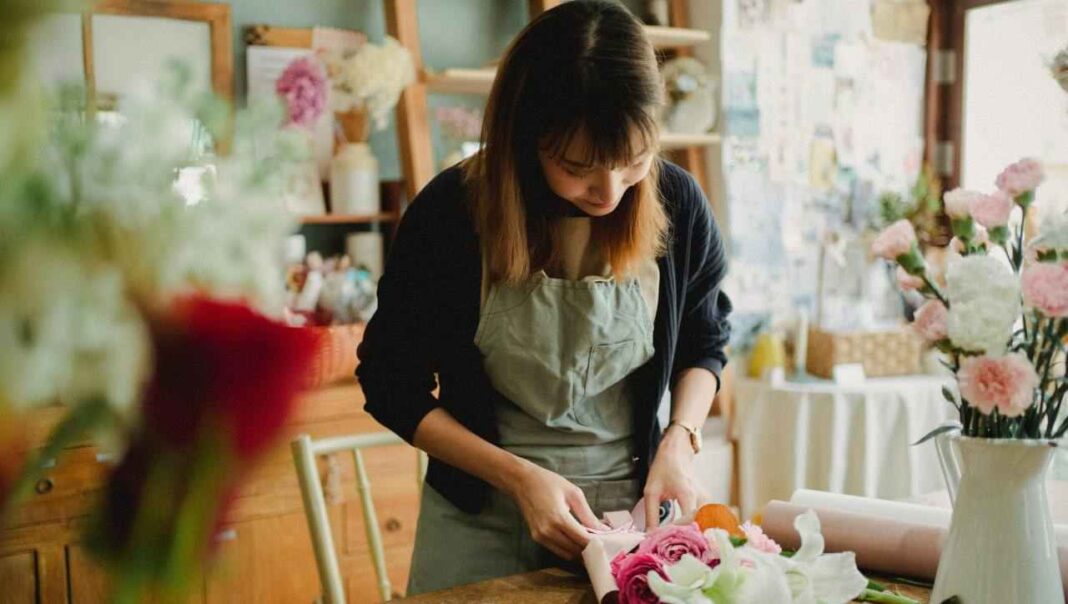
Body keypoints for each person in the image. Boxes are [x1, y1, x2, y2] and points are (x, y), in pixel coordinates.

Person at [356, 0, 731, 594]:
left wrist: (680, 443)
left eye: (633, 161)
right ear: (526, 139)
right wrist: (519, 478)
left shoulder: (679, 206)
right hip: (479, 512)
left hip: (627, 517)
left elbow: (704, 344)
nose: (608, 191)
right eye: (578, 166)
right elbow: (389, 384)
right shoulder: (452, 215)